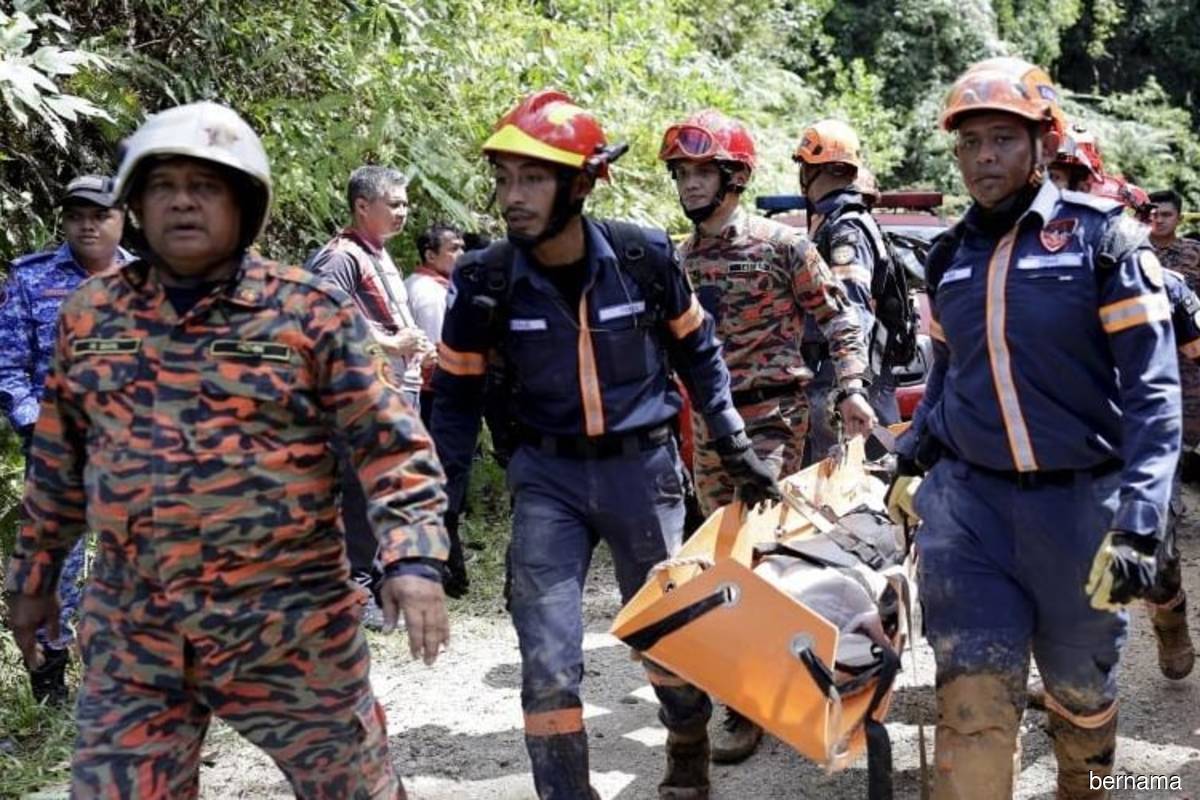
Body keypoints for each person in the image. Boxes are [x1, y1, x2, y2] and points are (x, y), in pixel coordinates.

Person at [4, 101, 450, 799]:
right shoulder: (91, 316)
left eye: (205, 186)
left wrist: (414, 557)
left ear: (244, 204)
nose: (182, 201)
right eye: (163, 186)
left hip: (290, 629)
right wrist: (32, 582)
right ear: (137, 203)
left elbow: (391, 447)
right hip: (135, 636)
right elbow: (59, 468)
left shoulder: (307, 313)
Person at [432, 89, 776, 800]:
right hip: (545, 480)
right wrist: (439, 510)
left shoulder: (641, 256)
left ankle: (687, 735)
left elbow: (699, 353)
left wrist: (732, 438)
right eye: (503, 178)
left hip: (641, 473)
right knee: (548, 661)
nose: (511, 197)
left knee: (665, 634)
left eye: (532, 178)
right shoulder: (482, 281)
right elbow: (457, 403)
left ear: (581, 183)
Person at [891, 58, 1180, 799]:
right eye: (970, 143)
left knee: (1082, 697)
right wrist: (908, 459)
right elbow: (947, 378)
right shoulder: (948, 254)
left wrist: (1140, 522)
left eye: (1002, 139)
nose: (984, 156)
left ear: (1041, 145)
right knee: (973, 702)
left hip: (1082, 511)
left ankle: (1092, 785)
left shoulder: (1103, 241)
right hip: (970, 513)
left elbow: (1153, 391)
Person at [659, 109, 874, 763]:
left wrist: (853, 389)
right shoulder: (676, 258)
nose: (689, 184)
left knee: (758, 554)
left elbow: (840, 322)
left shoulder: (783, 247)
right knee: (723, 561)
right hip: (704, 426)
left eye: (702, 171)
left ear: (735, 177)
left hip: (775, 420)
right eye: (681, 173)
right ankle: (747, 698)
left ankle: (782, 693)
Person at [1047, 143, 1195, 681]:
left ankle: (1169, 615)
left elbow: (1192, 353)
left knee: (1155, 556)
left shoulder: (1167, 284)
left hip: (1142, 438)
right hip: (1075, 442)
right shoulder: (1045, 278)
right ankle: (1075, 684)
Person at [0, 174, 130, 704]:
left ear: (121, 217)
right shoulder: (32, 279)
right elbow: (9, 367)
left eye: (99, 214)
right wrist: (39, 425)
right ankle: (51, 689)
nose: (87, 224)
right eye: (76, 214)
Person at [308, 166, 443, 604]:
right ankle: (355, 589)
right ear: (362, 206)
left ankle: (382, 583)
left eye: (405, 203)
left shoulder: (377, 252)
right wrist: (391, 341)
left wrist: (415, 347)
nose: (403, 212)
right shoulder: (342, 256)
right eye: (394, 203)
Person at [791, 118, 899, 462]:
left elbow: (852, 310)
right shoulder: (834, 222)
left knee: (851, 495)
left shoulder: (846, 227)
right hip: (842, 376)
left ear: (812, 170)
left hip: (846, 379)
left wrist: (849, 386)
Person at [405, 221, 465, 428]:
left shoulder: (416, 282)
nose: (462, 254)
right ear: (430, 256)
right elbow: (438, 348)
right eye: (454, 249)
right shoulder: (430, 293)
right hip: (431, 392)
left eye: (462, 247)